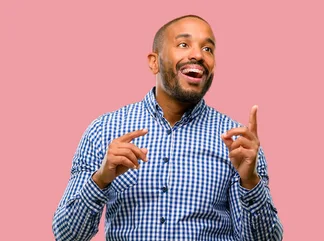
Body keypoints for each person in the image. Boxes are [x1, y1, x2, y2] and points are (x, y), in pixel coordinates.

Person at [52, 14, 283, 241]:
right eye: (184, 44)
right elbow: (67, 235)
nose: (198, 55)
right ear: (154, 62)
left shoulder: (238, 144)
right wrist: (100, 179)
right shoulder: (103, 131)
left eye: (208, 49)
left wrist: (250, 182)